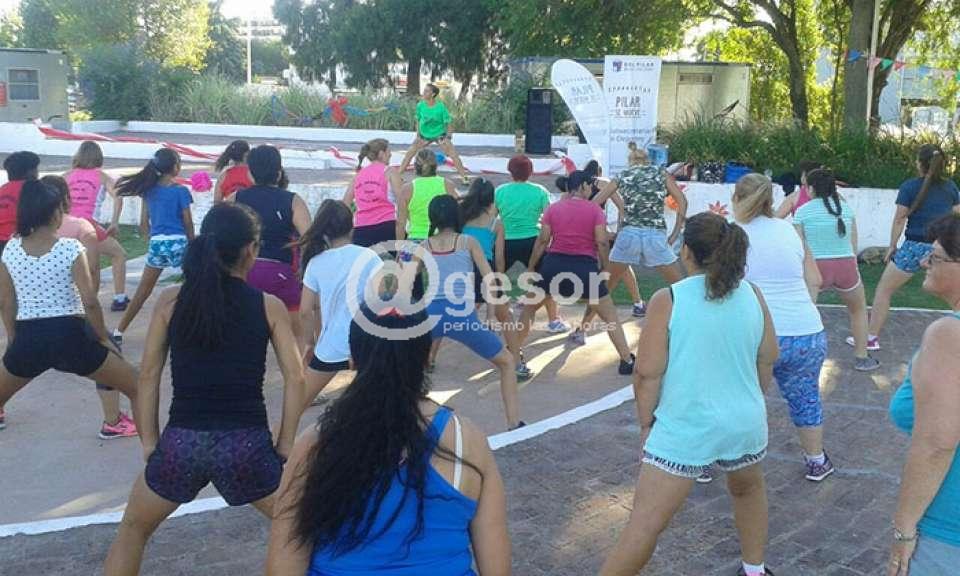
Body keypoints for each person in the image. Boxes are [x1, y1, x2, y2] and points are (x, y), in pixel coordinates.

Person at [104, 203, 304, 576]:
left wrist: (150, 442)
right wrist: (285, 443)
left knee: (133, 530)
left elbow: (148, 375)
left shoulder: (170, 301)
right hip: (245, 447)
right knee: (300, 531)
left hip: (183, 443)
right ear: (251, 250)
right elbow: (296, 377)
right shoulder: (268, 305)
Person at [599, 213, 779, 576]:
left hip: (685, 427)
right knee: (747, 490)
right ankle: (755, 569)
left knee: (644, 524)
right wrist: (750, 398)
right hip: (744, 421)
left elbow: (647, 373)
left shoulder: (669, 299)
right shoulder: (753, 294)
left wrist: (646, 424)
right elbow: (768, 357)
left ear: (686, 252)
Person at [0, 180, 139, 434]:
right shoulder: (70, 248)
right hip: (71, 334)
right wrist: (102, 338)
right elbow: (90, 301)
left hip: (29, 336)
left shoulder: (11, 248)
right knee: (138, 386)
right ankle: (145, 441)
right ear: (55, 214)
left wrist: (12, 338)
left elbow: (7, 301)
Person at [733, 173, 833, 482]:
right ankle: (816, 460)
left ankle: (716, 458)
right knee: (805, 398)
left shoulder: (733, 234)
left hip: (757, 334)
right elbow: (815, 279)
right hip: (806, 331)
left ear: (737, 198)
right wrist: (801, 313)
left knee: (734, 395)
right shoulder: (790, 231)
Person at [408, 195, 523, 430]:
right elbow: (490, 279)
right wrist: (490, 315)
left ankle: (410, 420)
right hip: (462, 315)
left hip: (431, 315)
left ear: (433, 218)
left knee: (411, 369)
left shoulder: (423, 246)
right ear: (456, 216)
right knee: (507, 362)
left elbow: (405, 282)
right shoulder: (468, 242)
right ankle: (514, 423)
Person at [887, 214, 960, 576]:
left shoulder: (949, 336)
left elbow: (936, 443)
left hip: (948, 533)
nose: (922, 263)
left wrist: (903, 529)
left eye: (935, 257)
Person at [517, 170, 636, 376]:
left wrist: (531, 266)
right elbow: (601, 242)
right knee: (610, 316)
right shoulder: (594, 210)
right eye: (590, 186)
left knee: (529, 309)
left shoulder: (554, 208)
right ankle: (626, 360)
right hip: (584, 268)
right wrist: (605, 267)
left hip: (553, 265)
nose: (591, 190)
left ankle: (512, 352)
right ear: (582, 186)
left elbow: (543, 240)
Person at [44, 175, 137, 439]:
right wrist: (98, 330)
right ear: (65, 199)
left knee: (15, 365)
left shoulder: (21, 236)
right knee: (113, 359)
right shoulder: (79, 228)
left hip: (31, 324)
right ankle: (113, 421)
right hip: (70, 316)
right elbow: (93, 275)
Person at [858, 144, 960, 351]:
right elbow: (956, 215)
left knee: (884, 289)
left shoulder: (909, 187)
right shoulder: (951, 188)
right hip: (941, 249)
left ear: (920, 163)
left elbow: (899, 219)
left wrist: (892, 245)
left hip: (913, 247)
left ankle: (871, 338)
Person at [297, 199, 383, 407]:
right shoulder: (369, 257)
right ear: (351, 226)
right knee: (379, 403)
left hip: (330, 347)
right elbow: (382, 301)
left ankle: (285, 429)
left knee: (297, 404)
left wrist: (310, 343)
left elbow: (305, 311)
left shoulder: (316, 262)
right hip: (366, 345)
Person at [794, 169, 879, 371]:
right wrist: (853, 265)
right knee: (858, 309)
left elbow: (798, 246)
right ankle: (862, 357)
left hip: (815, 268)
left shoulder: (802, 212)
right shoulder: (846, 209)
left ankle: (801, 359)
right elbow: (853, 242)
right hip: (846, 266)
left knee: (805, 313)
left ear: (811, 189)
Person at [230, 145, 312, 352]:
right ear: (279, 173)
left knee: (238, 333)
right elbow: (309, 239)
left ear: (250, 173)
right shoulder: (292, 200)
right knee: (297, 334)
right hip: (280, 272)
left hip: (243, 272)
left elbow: (220, 235)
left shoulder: (235, 199)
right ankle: (298, 370)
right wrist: (303, 270)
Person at [593, 142, 688, 314]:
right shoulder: (660, 173)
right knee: (682, 287)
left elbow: (595, 202)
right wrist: (675, 233)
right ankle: (691, 321)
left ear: (631, 161)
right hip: (655, 234)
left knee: (604, 289)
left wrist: (601, 228)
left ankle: (584, 325)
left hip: (628, 234)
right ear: (647, 160)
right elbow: (682, 201)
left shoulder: (623, 175)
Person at [112, 149, 195, 344]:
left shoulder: (148, 191)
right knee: (192, 287)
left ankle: (119, 330)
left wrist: (153, 239)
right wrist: (192, 243)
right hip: (179, 242)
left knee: (143, 290)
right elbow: (188, 222)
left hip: (158, 243)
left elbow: (143, 224)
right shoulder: (181, 191)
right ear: (175, 167)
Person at [495, 154, 567, 334]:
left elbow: (492, 216)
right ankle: (553, 320)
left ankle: (486, 317)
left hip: (506, 241)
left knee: (493, 278)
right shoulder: (539, 191)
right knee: (546, 280)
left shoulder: (500, 191)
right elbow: (549, 216)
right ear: (531, 172)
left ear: (510, 171)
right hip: (532, 241)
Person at [460, 178, 525, 376]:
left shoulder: (461, 219)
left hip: (463, 270)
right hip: (486, 270)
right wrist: (499, 279)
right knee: (506, 317)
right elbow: (499, 258)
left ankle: (429, 358)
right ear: (491, 201)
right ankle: (517, 363)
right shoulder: (495, 224)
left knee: (453, 315)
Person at [65, 141, 130, 312]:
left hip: (66, 223)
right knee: (118, 254)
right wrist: (114, 222)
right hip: (88, 224)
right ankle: (118, 298)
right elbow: (118, 197)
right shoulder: (102, 176)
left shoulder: (66, 176)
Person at [397, 83, 469, 183]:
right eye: (424, 90)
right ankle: (398, 175)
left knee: (453, 154)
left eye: (427, 91)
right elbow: (417, 120)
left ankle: (464, 177)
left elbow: (448, 122)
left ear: (433, 94)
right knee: (410, 153)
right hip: (424, 135)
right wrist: (418, 134)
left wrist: (448, 137)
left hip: (439, 135)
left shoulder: (440, 107)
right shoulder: (420, 105)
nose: (424, 93)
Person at [342, 138, 404, 248]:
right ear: (381, 153)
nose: (390, 154)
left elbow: (345, 203)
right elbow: (402, 201)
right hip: (386, 226)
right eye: (388, 151)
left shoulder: (358, 175)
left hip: (361, 228)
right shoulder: (390, 172)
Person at [396, 149, 458, 242]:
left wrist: (399, 247)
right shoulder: (447, 185)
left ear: (415, 166)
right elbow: (457, 214)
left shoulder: (407, 189)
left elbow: (400, 223)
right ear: (435, 166)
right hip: (442, 239)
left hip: (416, 237)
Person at [0, 151, 40, 255]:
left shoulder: (2, 189)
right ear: (30, 172)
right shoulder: (34, 188)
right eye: (36, 169)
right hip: (23, 241)